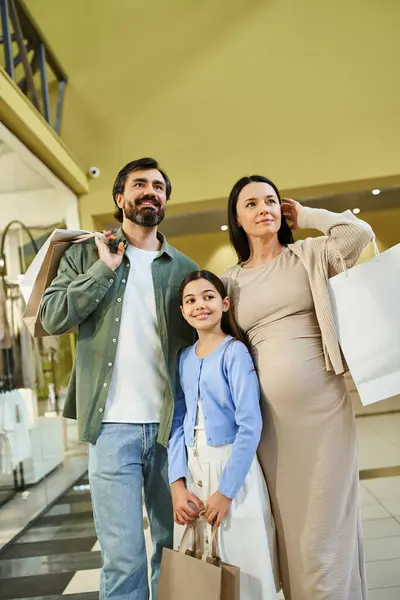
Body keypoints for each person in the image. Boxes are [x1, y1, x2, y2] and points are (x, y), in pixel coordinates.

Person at [40, 158, 198, 600]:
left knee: (174, 550)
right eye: (140, 184)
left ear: (165, 200)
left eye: (159, 187)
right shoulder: (85, 254)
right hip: (111, 429)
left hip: (172, 431)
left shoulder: (184, 267)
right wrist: (104, 269)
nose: (151, 191)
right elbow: (53, 317)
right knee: (123, 558)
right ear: (119, 198)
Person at [221, 175, 374, 600]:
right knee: (290, 528)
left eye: (270, 201)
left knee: (324, 530)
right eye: (250, 203)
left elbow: (359, 233)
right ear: (237, 218)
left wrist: (306, 215)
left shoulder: (309, 254)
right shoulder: (230, 281)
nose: (263, 208)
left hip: (324, 413)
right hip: (269, 426)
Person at [168, 269, 278, 600]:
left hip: (233, 472)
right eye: (190, 300)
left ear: (224, 303)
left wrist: (226, 492)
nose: (199, 305)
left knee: (242, 567)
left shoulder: (235, 353)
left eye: (208, 297)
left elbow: (250, 424)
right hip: (194, 473)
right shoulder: (184, 359)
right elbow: (177, 421)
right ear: (182, 312)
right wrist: (177, 485)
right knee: (199, 571)